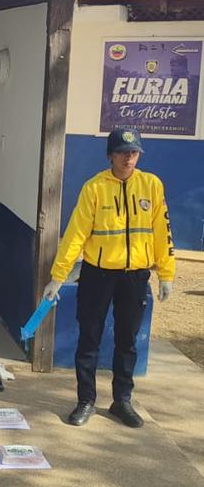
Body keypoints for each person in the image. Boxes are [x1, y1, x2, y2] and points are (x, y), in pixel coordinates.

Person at [43, 128, 175, 428]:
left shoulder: (152, 185)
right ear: (110, 155)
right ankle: (85, 401)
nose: (128, 158)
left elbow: (162, 232)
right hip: (97, 275)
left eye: (134, 152)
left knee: (127, 340)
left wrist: (167, 274)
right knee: (89, 338)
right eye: (122, 152)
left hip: (135, 277)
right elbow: (75, 235)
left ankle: (122, 401)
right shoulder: (94, 188)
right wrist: (58, 276)